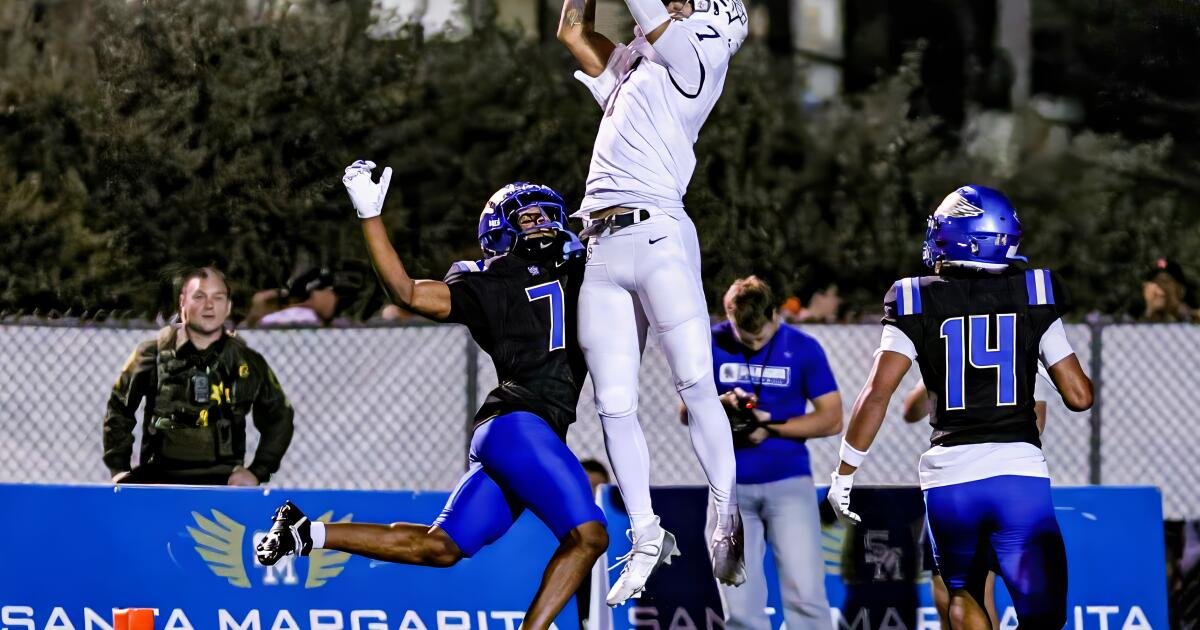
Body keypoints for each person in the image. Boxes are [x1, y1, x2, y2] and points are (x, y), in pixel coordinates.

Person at [255, 162, 607, 630]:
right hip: (519, 424)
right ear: (502, 232)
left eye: (547, 215)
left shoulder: (586, 267)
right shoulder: (490, 281)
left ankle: (305, 532)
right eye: (528, 218)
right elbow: (405, 291)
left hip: (516, 432)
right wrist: (370, 216)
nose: (541, 224)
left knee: (440, 548)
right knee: (589, 536)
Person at [827, 185, 1094, 629]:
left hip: (950, 479)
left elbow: (877, 391)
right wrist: (1037, 359)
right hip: (1017, 475)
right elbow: (1080, 397)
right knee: (1043, 615)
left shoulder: (913, 297)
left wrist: (845, 472)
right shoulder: (1033, 293)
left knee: (963, 592)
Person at [557, 0, 750, 602]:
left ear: (712, 18)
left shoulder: (696, 57)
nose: (673, 2)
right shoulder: (646, 63)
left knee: (694, 383)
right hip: (602, 245)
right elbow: (570, 29)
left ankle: (724, 505)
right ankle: (644, 533)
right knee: (613, 405)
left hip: (660, 232)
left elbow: (648, 9)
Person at [685, 276, 840, 630]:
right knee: (739, 598)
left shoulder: (803, 347)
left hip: (788, 482)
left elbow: (831, 419)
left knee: (806, 592)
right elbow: (686, 412)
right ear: (729, 314)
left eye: (761, 336)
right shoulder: (709, 343)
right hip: (729, 487)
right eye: (746, 337)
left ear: (775, 315)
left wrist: (770, 426)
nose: (754, 343)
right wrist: (721, 404)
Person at [103, 266, 295, 485]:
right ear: (182, 302)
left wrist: (257, 471)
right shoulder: (151, 353)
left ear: (228, 306)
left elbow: (279, 416)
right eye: (199, 297)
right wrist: (118, 468)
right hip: (158, 481)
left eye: (218, 297)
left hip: (224, 482)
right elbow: (119, 408)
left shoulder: (247, 360)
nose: (209, 305)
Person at [903, 378, 1050, 630]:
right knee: (951, 594)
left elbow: (1037, 421)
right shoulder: (951, 348)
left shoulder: (1024, 349)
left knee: (974, 593)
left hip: (986, 484)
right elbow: (910, 411)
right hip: (957, 482)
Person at [1139, 258, 1195, 323]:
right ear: (1145, 289)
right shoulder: (1129, 321)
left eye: (1165, 282)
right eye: (1154, 282)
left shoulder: (1193, 323)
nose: (1160, 289)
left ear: (1180, 291)